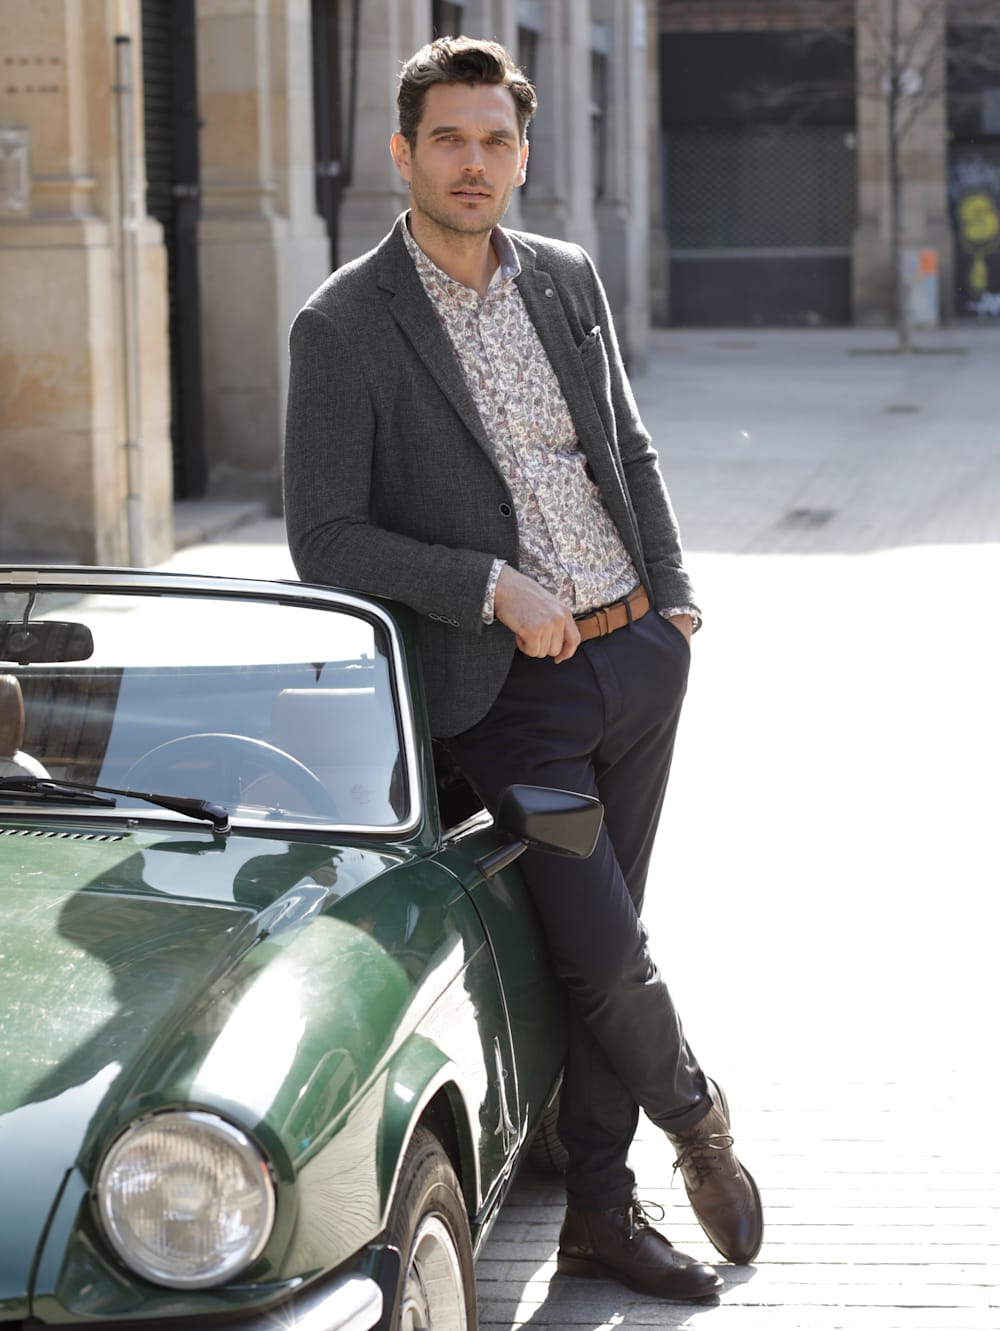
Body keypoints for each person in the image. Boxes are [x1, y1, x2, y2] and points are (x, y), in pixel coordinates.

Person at [283, 35, 763, 1302]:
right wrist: (486, 585)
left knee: (612, 943)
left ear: (523, 154)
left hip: (638, 659)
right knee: (601, 949)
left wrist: (674, 601)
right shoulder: (342, 324)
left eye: (494, 139)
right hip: (509, 699)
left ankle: (598, 1210)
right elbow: (323, 536)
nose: (473, 162)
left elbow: (626, 446)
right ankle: (696, 1118)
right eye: (448, 138)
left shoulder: (564, 276)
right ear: (402, 153)